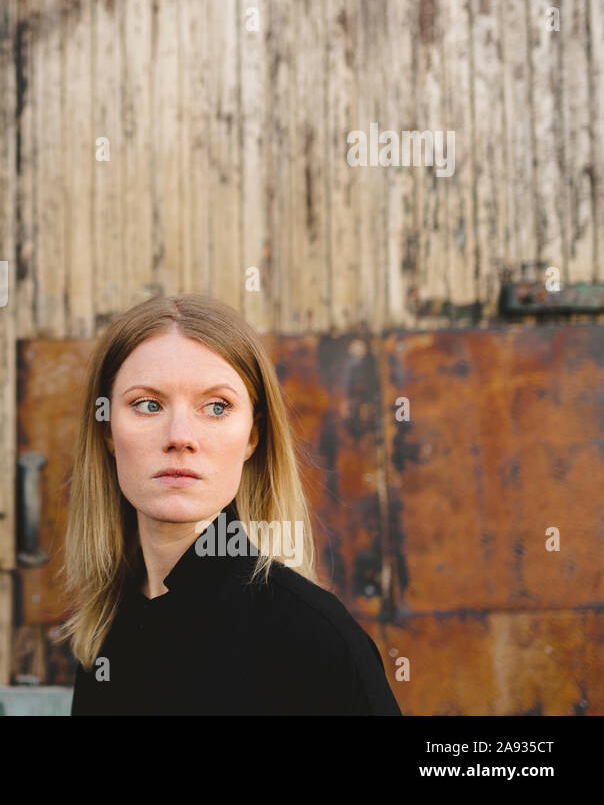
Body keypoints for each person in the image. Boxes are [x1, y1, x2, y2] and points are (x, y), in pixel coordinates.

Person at [63, 293, 401, 715]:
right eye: (148, 404)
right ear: (108, 431)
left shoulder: (315, 637)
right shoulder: (104, 633)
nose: (180, 435)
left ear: (253, 437)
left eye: (217, 407)